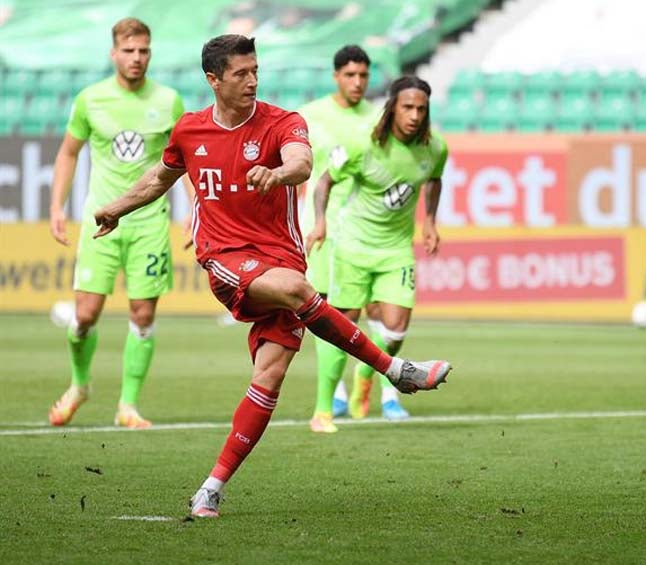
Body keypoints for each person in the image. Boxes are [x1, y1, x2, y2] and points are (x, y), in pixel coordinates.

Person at [90, 34, 452, 518]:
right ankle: (395, 371)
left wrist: (278, 174)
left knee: (271, 375)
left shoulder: (284, 122)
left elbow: (302, 164)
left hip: (282, 256)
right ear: (213, 79)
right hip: (224, 256)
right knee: (301, 291)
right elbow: (160, 177)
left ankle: (211, 488)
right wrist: (114, 208)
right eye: (240, 73)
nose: (252, 80)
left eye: (256, 70)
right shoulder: (191, 131)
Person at [47, 17, 187, 429]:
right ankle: (79, 386)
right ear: (114, 53)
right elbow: (68, 152)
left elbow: (184, 160)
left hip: (149, 222)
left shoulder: (168, 101)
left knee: (143, 315)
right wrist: (57, 206)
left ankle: (128, 405)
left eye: (143, 50)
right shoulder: (91, 100)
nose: (136, 58)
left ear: (150, 53)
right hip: (101, 221)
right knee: (85, 316)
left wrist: (197, 210)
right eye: (128, 51)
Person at [309, 75, 447, 425]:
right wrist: (321, 222)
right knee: (340, 327)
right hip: (352, 245)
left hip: (396, 248)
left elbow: (434, 179)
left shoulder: (435, 149)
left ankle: (366, 375)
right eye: (408, 107)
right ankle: (323, 409)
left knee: (396, 329)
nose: (415, 115)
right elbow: (324, 182)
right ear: (392, 108)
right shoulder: (362, 143)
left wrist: (429, 221)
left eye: (421, 109)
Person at [298, 45, 408, 433]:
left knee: (382, 311)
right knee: (328, 312)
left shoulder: (378, 118)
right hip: (322, 226)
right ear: (336, 77)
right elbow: (297, 168)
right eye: (350, 75)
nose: (358, 82)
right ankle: (335, 397)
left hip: (366, 228)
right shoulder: (311, 116)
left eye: (363, 75)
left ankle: (379, 387)